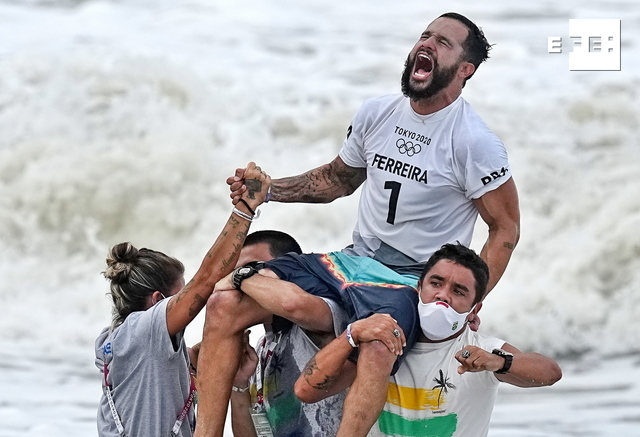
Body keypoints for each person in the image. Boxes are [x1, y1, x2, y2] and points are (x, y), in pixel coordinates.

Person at [229, 12, 519, 293]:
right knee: (232, 297)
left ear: (465, 69)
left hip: (417, 279)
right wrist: (268, 190)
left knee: (335, 321)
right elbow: (338, 180)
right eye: (425, 36)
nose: (427, 44)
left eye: (443, 42)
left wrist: (472, 300)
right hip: (356, 262)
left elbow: (505, 228)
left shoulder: (474, 142)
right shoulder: (376, 113)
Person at [294, 243, 562, 437]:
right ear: (418, 287)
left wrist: (498, 362)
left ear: (475, 309)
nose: (443, 295)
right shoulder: (384, 339)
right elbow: (308, 390)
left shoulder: (480, 351)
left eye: (459, 291)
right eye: (436, 283)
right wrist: (352, 334)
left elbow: (550, 373)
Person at [94, 162, 269, 437]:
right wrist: (245, 208)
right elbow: (207, 278)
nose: (190, 307)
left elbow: (188, 361)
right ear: (157, 301)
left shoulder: (119, 341)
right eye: (180, 296)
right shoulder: (145, 329)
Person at [228, 230, 349, 437]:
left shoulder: (321, 318)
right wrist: (238, 384)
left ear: (287, 269)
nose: (244, 284)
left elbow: (292, 305)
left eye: (253, 269)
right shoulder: (261, 347)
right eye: (236, 275)